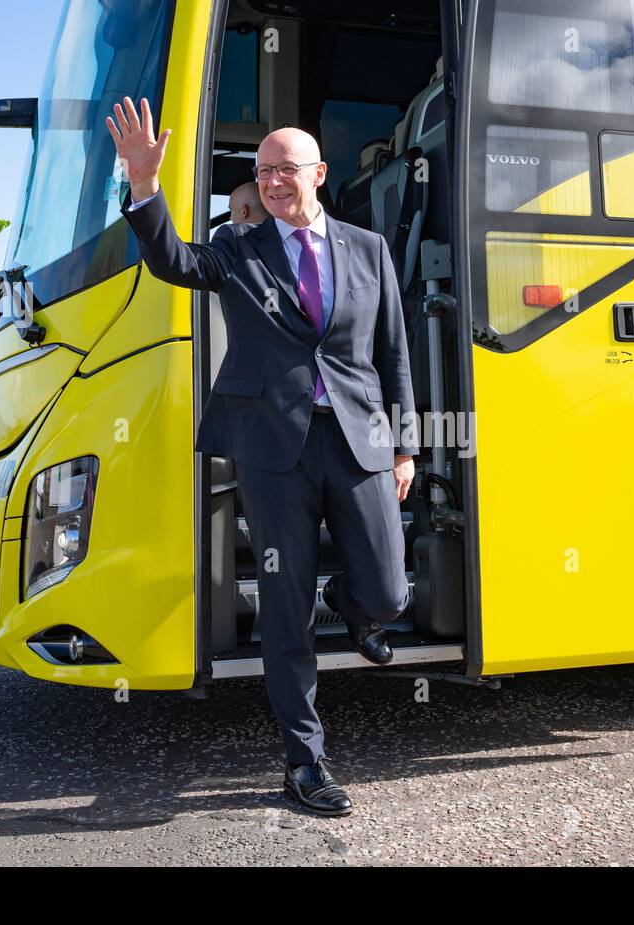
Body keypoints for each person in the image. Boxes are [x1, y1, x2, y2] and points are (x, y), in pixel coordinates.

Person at [106, 96, 418, 817]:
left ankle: (353, 603)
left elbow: (393, 353)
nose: (273, 180)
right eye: (262, 170)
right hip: (273, 452)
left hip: (358, 441)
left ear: (319, 173)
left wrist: (404, 444)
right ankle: (304, 764)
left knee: (389, 593)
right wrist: (144, 187)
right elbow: (173, 262)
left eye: (285, 169)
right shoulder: (238, 247)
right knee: (285, 611)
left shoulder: (368, 250)